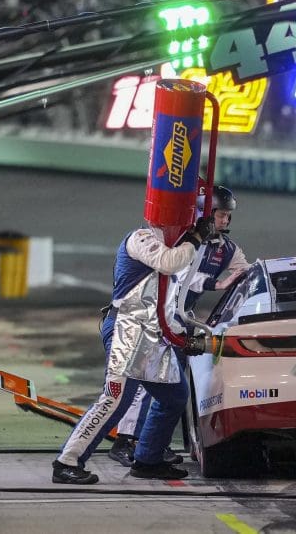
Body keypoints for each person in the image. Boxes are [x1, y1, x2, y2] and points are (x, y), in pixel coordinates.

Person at [51, 216, 216, 484]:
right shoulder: (141, 238)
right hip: (126, 329)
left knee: (175, 396)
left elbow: (169, 304)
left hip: (152, 335)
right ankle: (66, 462)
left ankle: (148, 460)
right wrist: (196, 239)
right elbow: (169, 263)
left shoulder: (176, 247)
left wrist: (181, 338)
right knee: (115, 399)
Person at [108, 186, 248, 466]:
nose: (225, 221)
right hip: (155, 318)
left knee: (172, 385)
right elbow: (179, 276)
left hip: (181, 321)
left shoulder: (228, 249)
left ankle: (153, 442)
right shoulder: (183, 241)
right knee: (143, 384)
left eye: (227, 216)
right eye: (220, 215)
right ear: (203, 215)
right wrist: (216, 284)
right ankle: (126, 441)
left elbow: (244, 270)